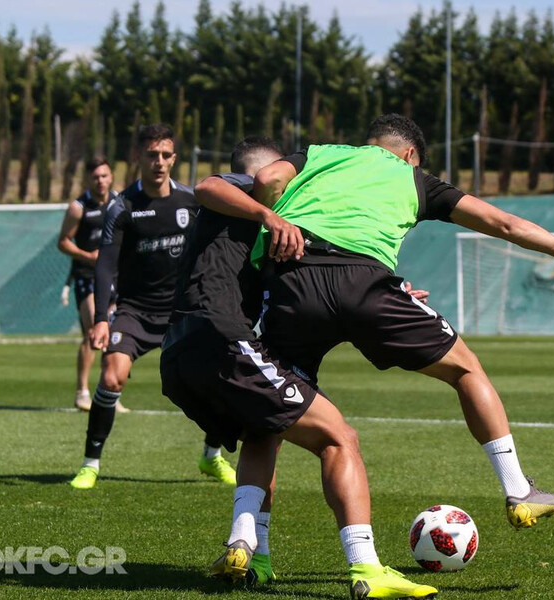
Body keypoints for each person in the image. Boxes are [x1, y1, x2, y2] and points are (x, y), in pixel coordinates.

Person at [200, 114, 554, 533]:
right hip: (363, 283)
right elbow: (503, 222)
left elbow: (267, 180)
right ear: (410, 154)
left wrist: (277, 223)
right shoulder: (413, 178)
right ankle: (519, 490)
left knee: (270, 418)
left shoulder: (321, 155)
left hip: (293, 285)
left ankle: (247, 541)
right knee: (465, 370)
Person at [161, 136, 437, 599]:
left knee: (263, 428)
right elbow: (207, 185)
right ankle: (366, 568)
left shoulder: (257, 226)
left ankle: (249, 550)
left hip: (182, 353)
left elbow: (325, 264)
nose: (292, 183)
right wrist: (269, 210)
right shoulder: (245, 193)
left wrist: (392, 289)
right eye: (286, 175)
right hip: (220, 338)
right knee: (339, 437)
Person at [69, 124, 235, 490]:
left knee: (221, 376)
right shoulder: (122, 206)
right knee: (112, 376)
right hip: (135, 311)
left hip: (183, 311)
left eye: (165, 155)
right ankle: (90, 464)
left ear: (174, 158)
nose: (159, 162)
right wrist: (100, 319)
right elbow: (105, 264)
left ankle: (211, 456)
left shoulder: (192, 201)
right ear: (138, 158)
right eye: (151, 155)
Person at [57, 158, 119, 411]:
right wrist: (88, 257)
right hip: (86, 276)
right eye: (95, 177)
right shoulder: (78, 208)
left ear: (111, 177)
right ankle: (82, 392)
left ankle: (109, 393)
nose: (101, 181)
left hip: (115, 277)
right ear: (88, 180)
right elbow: (63, 242)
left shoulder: (120, 203)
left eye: (104, 176)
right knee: (94, 329)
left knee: (113, 334)